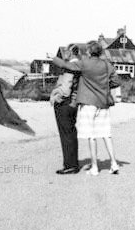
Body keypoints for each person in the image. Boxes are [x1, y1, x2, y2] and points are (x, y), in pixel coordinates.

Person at [52, 41, 121, 176]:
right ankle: (114, 163)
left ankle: (95, 167)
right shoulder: (107, 65)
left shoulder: (85, 63)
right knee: (106, 134)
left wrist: (53, 58)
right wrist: (104, 86)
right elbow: (116, 82)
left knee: (91, 136)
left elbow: (67, 65)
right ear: (100, 52)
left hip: (89, 102)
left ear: (89, 52)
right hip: (103, 103)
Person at [50, 44, 81, 174]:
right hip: (73, 103)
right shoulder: (78, 65)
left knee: (66, 134)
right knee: (71, 133)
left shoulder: (70, 67)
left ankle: (70, 165)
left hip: (65, 103)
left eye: (66, 52)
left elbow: (66, 88)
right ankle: (73, 163)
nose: (65, 54)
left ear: (70, 52)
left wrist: (56, 97)